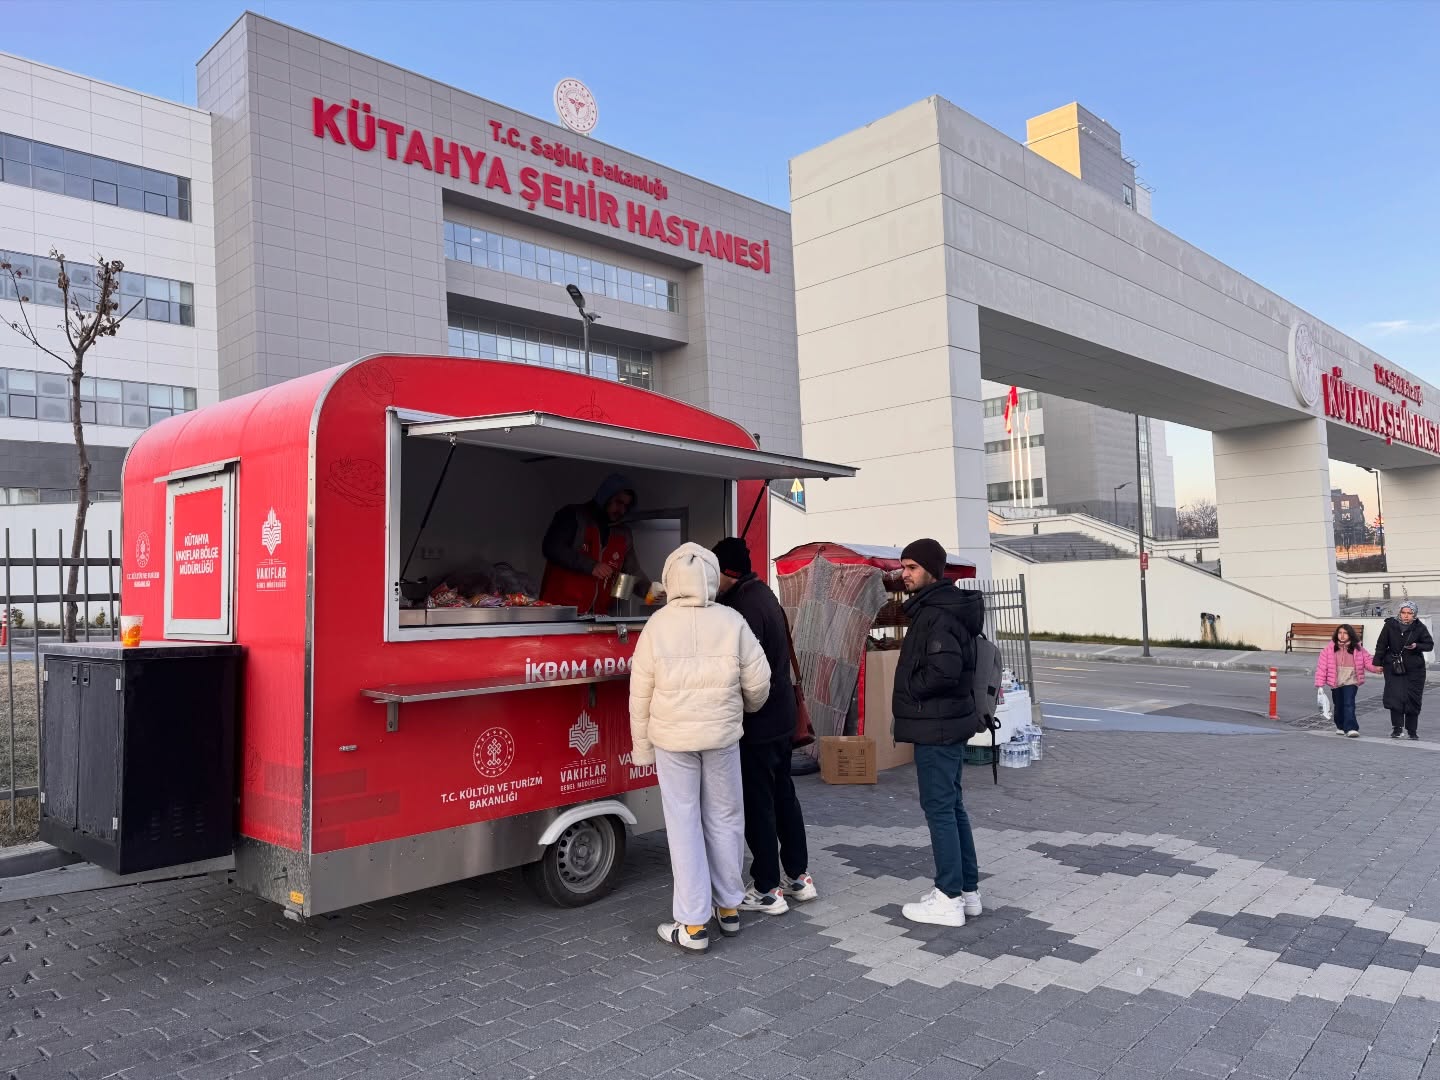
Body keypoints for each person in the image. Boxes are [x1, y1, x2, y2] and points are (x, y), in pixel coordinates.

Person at [629, 543, 771, 952]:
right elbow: (759, 683)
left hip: (674, 742)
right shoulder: (732, 620)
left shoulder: (656, 625)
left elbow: (640, 694)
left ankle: (692, 924)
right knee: (726, 817)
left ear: (671, 579)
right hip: (722, 738)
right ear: (710, 577)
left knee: (684, 823)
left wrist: (642, 749)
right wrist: (740, 709)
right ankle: (728, 908)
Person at [711, 537, 817, 916]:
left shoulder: (741, 609)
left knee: (759, 803)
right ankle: (799, 876)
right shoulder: (763, 595)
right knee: (784, 796)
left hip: (758, 722)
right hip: (781, 718)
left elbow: (746, 674)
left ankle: (768, 888)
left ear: (726, 572)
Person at [890, 538, 987, 928]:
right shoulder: (940, 609)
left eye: (911, 567)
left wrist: (910, 688)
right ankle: (967, 892)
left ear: (931, 569)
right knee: (952, 806)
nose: (904, 574)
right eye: (903, 567)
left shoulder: (937, 614)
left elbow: (944, 671)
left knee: (940, 809)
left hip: (938, 726)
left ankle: (948, 898)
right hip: (945, 723)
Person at [540, 473, 651, 615]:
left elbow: (630, 572)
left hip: (598, 616)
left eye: (626, 506)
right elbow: (552, 548)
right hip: (558, 612)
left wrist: (649, 593)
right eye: (618, 502)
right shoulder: (573, 515)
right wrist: (591, 566)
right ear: (605, 497)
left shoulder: (624, 533)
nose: (622, 510)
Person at [1371, 602, 1433, 740]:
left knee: (1413, 698)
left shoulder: (1419, 627)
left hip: (1415, 669)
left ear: (1414, 614)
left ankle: (1412, 730)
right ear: (1399, 612)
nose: (1406, 616)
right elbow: (1381, 644)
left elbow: (1429, 645)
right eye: (1404, 612)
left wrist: (1417, 645)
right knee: (1395, 697)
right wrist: (1377, 663)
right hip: (1393, 666)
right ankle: (1397, 729)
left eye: (1409, 613)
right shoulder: (1390, 625)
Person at [1314, 624, 1372, 737]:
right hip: (1336, 681)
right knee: (1339, 704)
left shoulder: (1358, 649)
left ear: (1350, 635)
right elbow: (1321, 667)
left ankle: (1351, 728)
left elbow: (1368, 662)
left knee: (1349, 703)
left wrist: (1378, 668)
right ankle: (1340, 726)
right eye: (1340, 633)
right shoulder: (1329, 650)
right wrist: (1320, 684)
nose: (1342, 635)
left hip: (1351, 680)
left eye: (1345, 633)